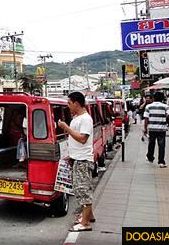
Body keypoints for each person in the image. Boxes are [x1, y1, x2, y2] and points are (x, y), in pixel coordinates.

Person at [58, 92, 95, 232]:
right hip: (77, 158)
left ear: (76, 103)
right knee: (83, 188)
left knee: (82, 190)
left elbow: (82, 138)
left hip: (83, 160)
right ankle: (89, 216)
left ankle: (84, 224)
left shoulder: (85, 119)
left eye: (69, 103)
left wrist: (66, 128)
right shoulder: (77, 118)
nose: (68, 106)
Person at [143, 92, 169, 168]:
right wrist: (165, 119)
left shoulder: (149, 106)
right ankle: (161, 162)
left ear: (153, 98)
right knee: (161, 145)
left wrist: (145, 128)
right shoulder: (165, 106)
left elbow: (146, 118)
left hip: (152, 128)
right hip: (162, 129)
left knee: (151, 143)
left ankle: (150, 157)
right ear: (162, 98)